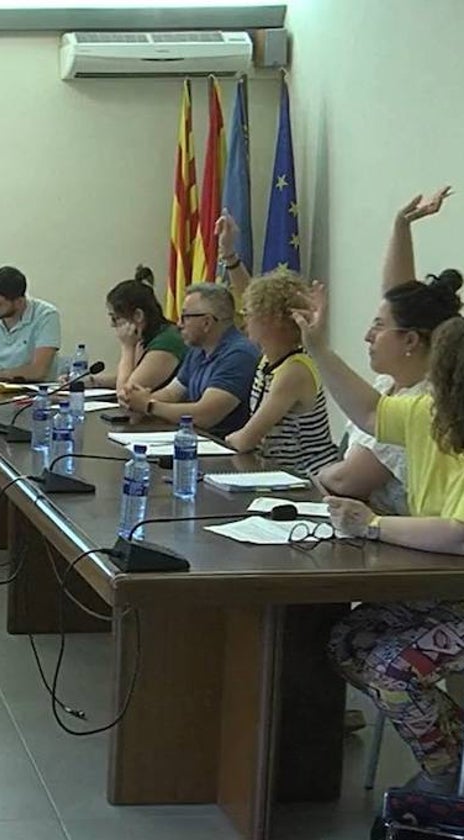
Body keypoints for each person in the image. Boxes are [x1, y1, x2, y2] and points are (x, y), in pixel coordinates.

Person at [293, 283, 464, 795]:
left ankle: (445, 773)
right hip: (447, 590)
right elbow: (368, 412)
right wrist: (318, 346)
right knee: (346, 638)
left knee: (393, 668)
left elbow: (459, 534)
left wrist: (370, 524)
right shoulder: (432, 417)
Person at [314, 188, 461, 513]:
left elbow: (347, 481)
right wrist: (400, 226)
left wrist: (316, 474)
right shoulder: (392, 384)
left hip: (409, 548)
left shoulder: (426, 401)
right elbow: (398, 296)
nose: (368, 336)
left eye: (379, 327)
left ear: (410, 341)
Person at [223, 270, 340, 474]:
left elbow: (246, 439)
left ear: (272, 319)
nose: (244, 321)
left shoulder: (294, 371)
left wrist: (229, 438)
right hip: (274, 470)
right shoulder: (269, 360)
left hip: (307, 478)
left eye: (249, 314)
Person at [118, 282, 260, 437]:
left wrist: (149, 405)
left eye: (185, 317)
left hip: (222, 448)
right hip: (193, 440)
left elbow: (205, 415)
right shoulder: (198, 350)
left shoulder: (239, 355)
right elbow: (172, 393)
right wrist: (134, 400)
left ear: (206, 322)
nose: (179, 324)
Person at [85, 266, 187, 391]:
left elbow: (126, 392)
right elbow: (130, 375)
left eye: (115, 318)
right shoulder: (147, 336)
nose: (112, 324)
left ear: (138, 315)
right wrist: (91, 381)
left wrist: (127, 347)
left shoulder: (167, 342)